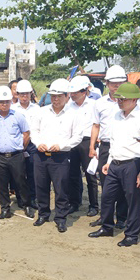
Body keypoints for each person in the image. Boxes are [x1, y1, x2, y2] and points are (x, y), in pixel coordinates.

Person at [88, 83, 140, 247]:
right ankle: (107, 227)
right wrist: (109, 161)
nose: (119, 101)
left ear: (133, 100)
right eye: (118, 98)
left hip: (133, 163)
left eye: (123, 99)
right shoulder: (117, 116)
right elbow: (114, 140)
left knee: (132, 201)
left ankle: (131, 235)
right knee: (107, 197)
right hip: (115, 162)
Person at [31, 78, 83, 233]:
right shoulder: (42, 111)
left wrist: (62, 146)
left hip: (61, 156)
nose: (56, 99)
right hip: (41, 155)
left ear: (67, 96)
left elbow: (77, 137)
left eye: (59, 96)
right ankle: (43, 214)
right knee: (41, 186)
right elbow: (34, 131)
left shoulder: (73, 115)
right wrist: (38, 142)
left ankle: (60, 218)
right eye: (53, 95)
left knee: (61, 189)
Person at [89, 65, 129, 229]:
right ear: (106, 83)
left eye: (120, 82)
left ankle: (122, 218)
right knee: (105, 184)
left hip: (124, 147)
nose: (116, 86)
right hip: (105, 147)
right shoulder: (99, 103)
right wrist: (92, 147)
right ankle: (105, 217)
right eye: (113, 83)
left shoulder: (133, 101)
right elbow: (95, 126)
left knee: (123, 184)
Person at [0, 86, 32, 219]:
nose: (4, 104)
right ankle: (5, 208)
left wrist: (21, 147)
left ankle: (26, 205)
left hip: (16, 155)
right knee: (1, 183)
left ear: (11, 101)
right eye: (1, 102)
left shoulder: (18, 116)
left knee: (20, 181)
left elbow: (26, 133)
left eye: (7, 101)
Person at [67, 75, 99, 216]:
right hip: (72, 142)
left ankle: (94, 205)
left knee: (90, 175)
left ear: (84, 91)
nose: (72, 95)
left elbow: (97, 125)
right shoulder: (69, 106)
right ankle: (75, 202)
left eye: (75, 93)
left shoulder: (94, 105)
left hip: (87, 142)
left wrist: (93, 145)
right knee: (72, 174)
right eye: (71, 93)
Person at [12, 79, 40, 209]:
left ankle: (33, 198)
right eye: (22, 94)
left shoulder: (37, 109)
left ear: (31, 94)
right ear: (17, 94)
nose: (24, 97)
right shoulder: (12, 109)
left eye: (27, 94)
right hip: (17, 145)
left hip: (33, 145)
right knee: (18, 173)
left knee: (33, 173)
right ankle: (21, 198)